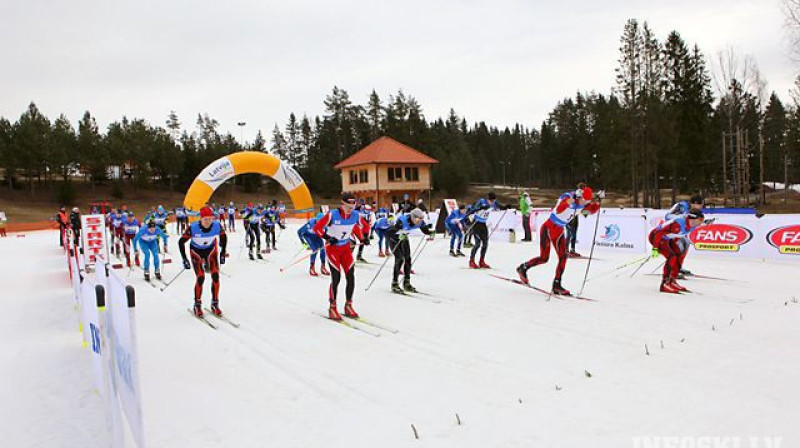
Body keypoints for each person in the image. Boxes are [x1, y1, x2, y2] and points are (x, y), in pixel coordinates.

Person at [516, 186, 602, 295]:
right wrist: (572, 199)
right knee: (544, 258)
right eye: (583, 200)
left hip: (559, 230)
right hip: (549, 228)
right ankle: (522, 268)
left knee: (563, 257)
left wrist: (598, 201)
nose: (584, 203)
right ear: (579, 196)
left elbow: (592, 209)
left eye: (587, 201)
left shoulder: (583, 203)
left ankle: (556, 285)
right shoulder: (568, 197)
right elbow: (559, 208)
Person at [312, 193, 370, 321]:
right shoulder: (333, 214)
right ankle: (332, 307)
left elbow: (365, 226)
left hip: (345, 249)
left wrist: (364, 238)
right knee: (336, 277)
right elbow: (317, 228)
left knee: (351, 276)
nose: (351, 210)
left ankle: (348, 305)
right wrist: (327, 238)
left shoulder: (355, 215)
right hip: (332, 249)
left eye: (352, 207)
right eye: (348, 207)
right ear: (342, 204)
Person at [179, 206, 227, 317]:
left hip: (211, 250)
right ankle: (197, 304)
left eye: (210, 219)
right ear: (201, 219)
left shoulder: (216, 225)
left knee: (215, 276)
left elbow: (224, 237)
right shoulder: (193, 227)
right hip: (196, 252)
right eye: (205, 219)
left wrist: (223, 252)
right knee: (201, 277)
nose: (208, 222)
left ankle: (215, 303)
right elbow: (181, 242)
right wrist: (184, 259)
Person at [648, 211, 704, 293]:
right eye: (700, 220)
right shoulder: (678, 223)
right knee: (672, 257)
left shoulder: (692, 226)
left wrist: (673, 247)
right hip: (656, 237)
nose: (700, 223)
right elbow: (658, 233)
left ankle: (672, 281)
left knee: (679, 256)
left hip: (667, 239)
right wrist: (655, 248)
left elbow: (677, 235)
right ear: (693, 219)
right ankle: (664, 284)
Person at [386, 208, 432, 293]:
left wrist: (430, 232)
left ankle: (406, 282)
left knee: (408, 259)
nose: (419, 221)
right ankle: (394, 283)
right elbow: (389, 233)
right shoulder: (402, 221)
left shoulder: (420, 222)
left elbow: (425, 230)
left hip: (403, 236)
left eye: (421, 219)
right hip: (393, 238)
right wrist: (398, 236)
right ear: (413, 217)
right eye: (418, 219)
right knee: (399, 259)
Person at [462, 192, 512, 269]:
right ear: (487, 199)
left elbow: (500, 207)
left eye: (493, 200)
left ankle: (482, 261)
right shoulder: (481, 201)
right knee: (477, 244)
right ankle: (471, 261)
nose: (492, 202)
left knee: (485, 243)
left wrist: (506, 207)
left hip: (483, 224)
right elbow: (472, 209)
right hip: (476, 224)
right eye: (491, 201)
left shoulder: (494, 203)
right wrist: (481, 207)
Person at [565, 182, 587, 257]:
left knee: (573, 234)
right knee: (570, 234)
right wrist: (574, 199)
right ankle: (565, 250)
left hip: (575, 216)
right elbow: (567, 203)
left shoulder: (582, 196)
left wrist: (586, 213)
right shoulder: (572, 195)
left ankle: (572, 249)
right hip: (570, 216)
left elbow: (582, 206)